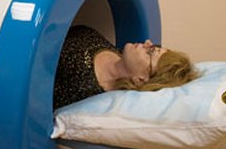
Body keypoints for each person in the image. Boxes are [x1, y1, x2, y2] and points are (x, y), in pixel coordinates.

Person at [53, 25, 198, 109]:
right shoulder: (114, 51)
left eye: (150, 52)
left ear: (140, 79)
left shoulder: (84, 90)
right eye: (154, 46)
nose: (148, 42)